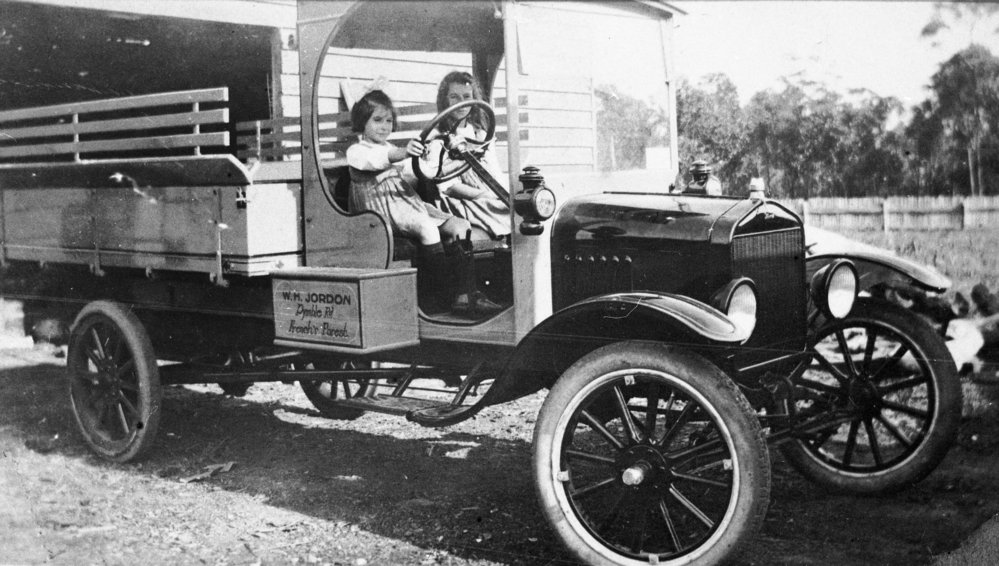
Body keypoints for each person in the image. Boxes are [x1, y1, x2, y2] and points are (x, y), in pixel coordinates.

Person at [347, 89, 502, 316]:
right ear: (362, 122)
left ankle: (466, 293)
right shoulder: (357, 151)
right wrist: (405, 152)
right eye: (377, 120)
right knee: (427, 228)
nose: (384, 126)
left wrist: (444, 156)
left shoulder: (390, 147)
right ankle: (443, 295)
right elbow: (378, 161)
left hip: (407, 203)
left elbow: (424, 172)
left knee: (460, 226)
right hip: (379, 210)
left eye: (388, 121)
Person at [419, 71, 511, 240]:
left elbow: (494, 170)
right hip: (459, 198)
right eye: (454, 97)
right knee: (505, 212)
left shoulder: (480, 133)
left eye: (467, 96)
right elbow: (448, 185)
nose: (461, 103)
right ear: (445, 100)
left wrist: (503, 193)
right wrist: (481, 195)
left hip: (484, 190)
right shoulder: (438, 137)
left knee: (515, 207)